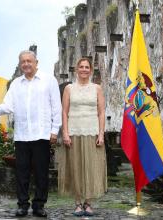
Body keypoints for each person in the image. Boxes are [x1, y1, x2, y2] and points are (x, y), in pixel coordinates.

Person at [0, 50, 62, 218]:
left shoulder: (49, 81)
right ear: (20, 64)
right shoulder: (16, 84)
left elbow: (57, 107)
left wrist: (54, 131)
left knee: (41, 173)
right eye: (23, 62)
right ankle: (22, 205)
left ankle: (39, 205)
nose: (26, 64)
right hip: (22, 135)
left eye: (29, 61)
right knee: (22, 172)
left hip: (41, 134)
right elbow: (7, 106)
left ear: (36, 62)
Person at [58, 57, 107, 217]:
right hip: (74, 132)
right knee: (76, 167)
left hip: (92, 133)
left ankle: (88, 203)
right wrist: (65, 132)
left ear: (91, 70)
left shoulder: (97, 88)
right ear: (76, 70)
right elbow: (64, 112)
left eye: (87, 67)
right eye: (81, 67)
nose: (84, 69)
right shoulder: (69, 89)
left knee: (92, 167)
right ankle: (78, 203)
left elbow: (101, 112)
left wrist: (101, 133)